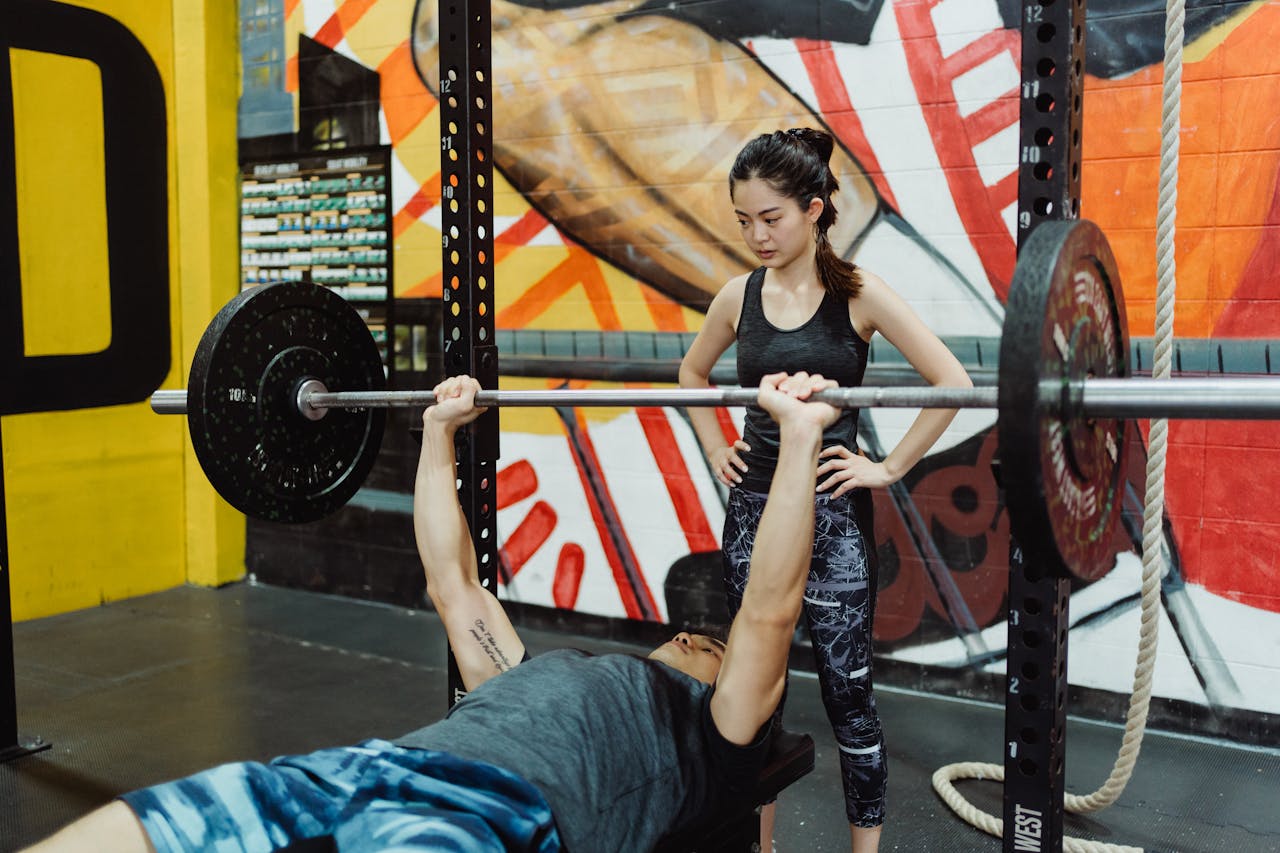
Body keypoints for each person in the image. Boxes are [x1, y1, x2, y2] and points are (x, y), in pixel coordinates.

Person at [24, 370, 845, 853]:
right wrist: (438, 428)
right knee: (139, 827)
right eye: (692, 633)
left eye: (704, 642)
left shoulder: (713, 734)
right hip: (360, 770)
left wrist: (800, 440)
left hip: (491, 817)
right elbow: (451, 579)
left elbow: (768, 613)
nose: (689, 635)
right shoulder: (519, 671)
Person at [678, 127, 974, 853]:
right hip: (753, 513)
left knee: (848, 694)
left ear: (814, 209)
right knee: (754, 689)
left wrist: (889, 466)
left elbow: (954, 383)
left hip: (833, 516)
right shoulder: (736, 295)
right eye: (743, 220)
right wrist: (717, 445)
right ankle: (763, 845)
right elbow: (689, 377)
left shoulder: (858, 295)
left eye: (770, 218)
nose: (756, 234)